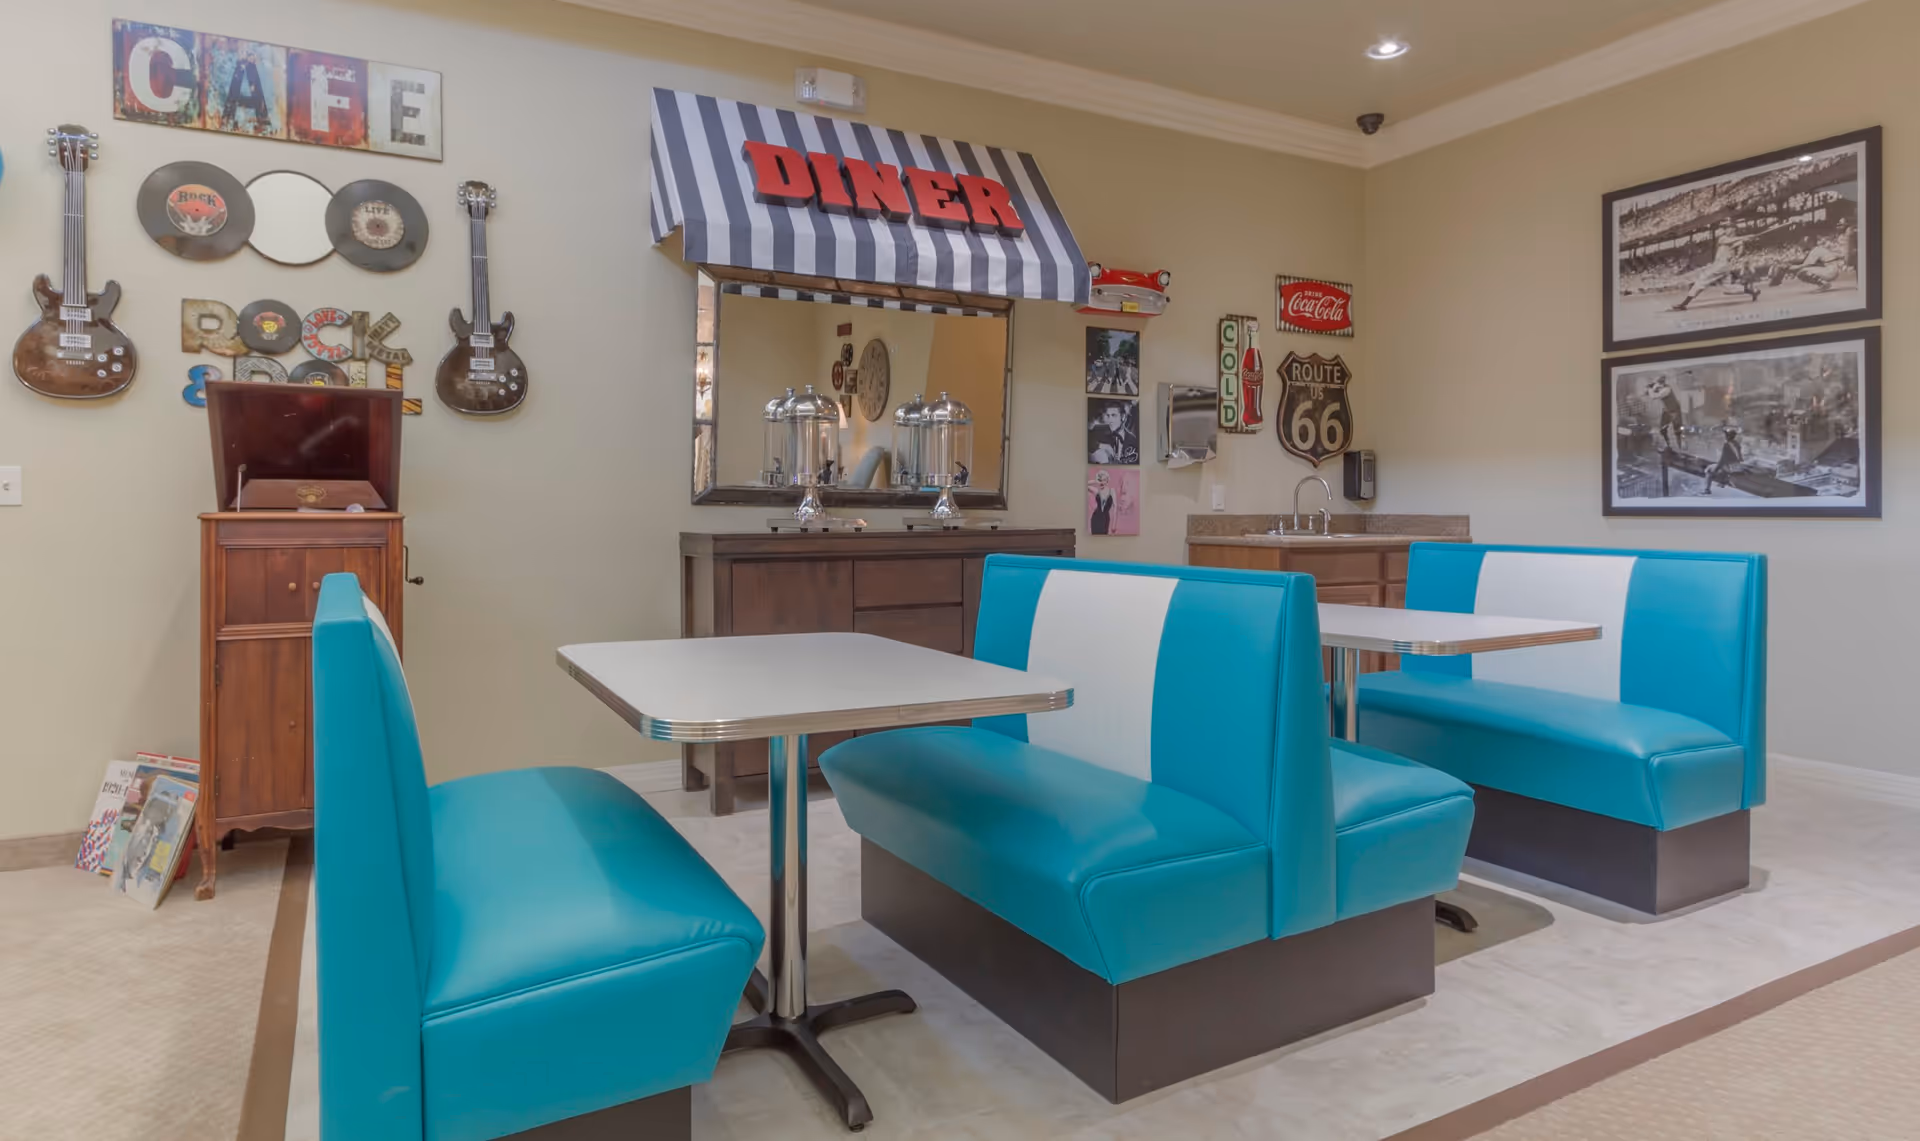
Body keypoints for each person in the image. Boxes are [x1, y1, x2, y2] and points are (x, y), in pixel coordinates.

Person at [1645, 375, 1683, 451]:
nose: (1656, 385)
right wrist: (1650, 388)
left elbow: (1653, 396)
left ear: (1661, 383)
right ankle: (1668, 446)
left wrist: (1649, 388)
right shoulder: (1660, 388)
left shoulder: (1667, 389)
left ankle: (1680, 447)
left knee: (1677, 431)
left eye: (1657, 383)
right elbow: (1647, 393)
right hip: (1666, 410)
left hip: (1674, 410)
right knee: (1663, 429)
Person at [1705, 421, 1743, 493]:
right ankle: (1723, 482)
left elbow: (1723, 458)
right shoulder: (1736, 444)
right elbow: (1740, 457)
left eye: (1727, 435)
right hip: (1736, 466)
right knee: (1723, 470)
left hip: (1729, 467)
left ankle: (1707, 489)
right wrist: (1723, 428)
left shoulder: (1727, 445)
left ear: (1728, 436)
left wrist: (1717, 468)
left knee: (1709, 471)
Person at [1087, 470, 1114, 535]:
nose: (1102, 482)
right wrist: (1096, 481)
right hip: (1096, 518)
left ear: (1107, 481)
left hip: (1105, 519)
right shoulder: (1096, 491)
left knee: (1104, 537)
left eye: (1104, 480)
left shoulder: (1111, 492)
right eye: (1100, 480)